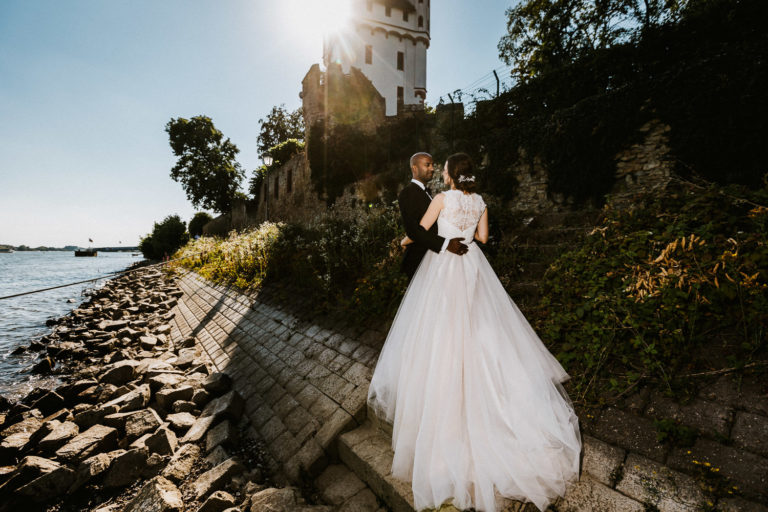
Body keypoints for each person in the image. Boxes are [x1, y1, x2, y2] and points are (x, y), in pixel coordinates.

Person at [368, 153, 581, 512]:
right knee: (484, 332)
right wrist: (461, 233)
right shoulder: (481, 202)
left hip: (443, 269)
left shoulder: (440, 199)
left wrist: (437, 240)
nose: (439, 171)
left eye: (443, 168)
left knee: (439, 337)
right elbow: (483, 238)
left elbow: (420, 230)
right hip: (473, 267)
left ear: (450, 174)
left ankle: (442, 420)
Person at [398, 152, 468, 280]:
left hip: (435, 260)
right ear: (414, 168)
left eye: (432, 165)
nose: (432, 168)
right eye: (427, 165)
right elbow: (413, 230)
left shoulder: (427, 193)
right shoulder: (408, 192)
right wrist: (446, 244)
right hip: (418, 261)